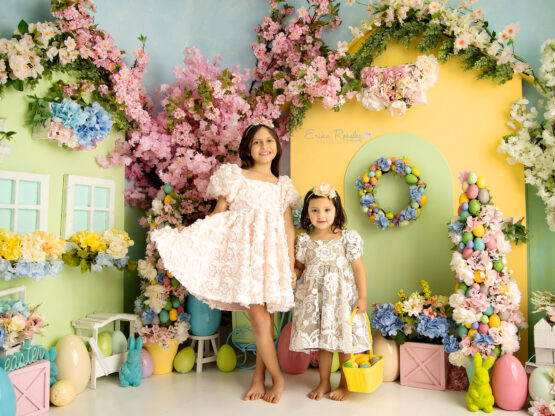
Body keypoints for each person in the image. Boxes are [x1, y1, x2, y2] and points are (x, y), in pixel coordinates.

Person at [151, 124, 301, 404]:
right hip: (245, 257)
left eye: (269, 140)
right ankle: (278, 378)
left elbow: (288, 228)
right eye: (257, 142)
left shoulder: (282, 186)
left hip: (271, 258)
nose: (264, 146)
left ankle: (259, 378)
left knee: (267, 320)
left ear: (277, 146)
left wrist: (290, 263)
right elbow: (218, 214)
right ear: (248, 149)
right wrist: (191, 232)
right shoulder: (236, 176)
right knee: (259, 320)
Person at [290, 183, 370, 401]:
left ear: (336, 211)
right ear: (307, 213)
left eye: (327, 210)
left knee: (344, 344)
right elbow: (300, 267)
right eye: (315, 210)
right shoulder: (305, 241)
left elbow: (358, 268)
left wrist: (363, 297)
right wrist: (294, 275)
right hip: (318, 301)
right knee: (324, 345)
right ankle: (324, 382)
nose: (321, 215)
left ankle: (345, 384)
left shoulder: (346, 238)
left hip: (342, 300)